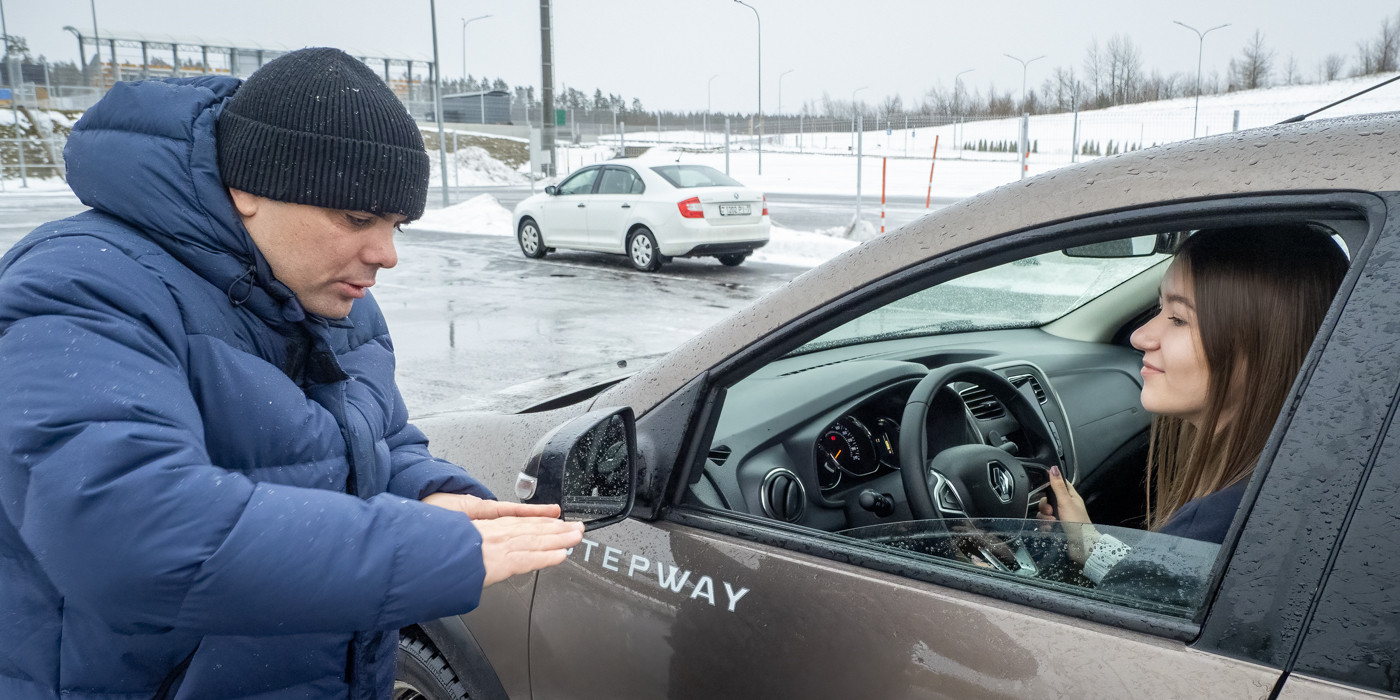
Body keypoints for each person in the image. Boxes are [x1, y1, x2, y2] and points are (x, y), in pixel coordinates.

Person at [0, 48, 583, 699]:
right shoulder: (82, 284)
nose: (385, 255)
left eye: (396, 225)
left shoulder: (338, 297)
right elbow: (122, 530)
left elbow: (376, 441)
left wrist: (427, 495)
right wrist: (414, 550)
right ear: (249, 187)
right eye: (358, 218)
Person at [1037, 224, 1348, 582]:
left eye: (1179, 319)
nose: (1140, 337)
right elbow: (1165, 583)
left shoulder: (1213, 526)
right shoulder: (1289, 485)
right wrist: (1088, 545)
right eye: (1159, 309)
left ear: (1265, 350)